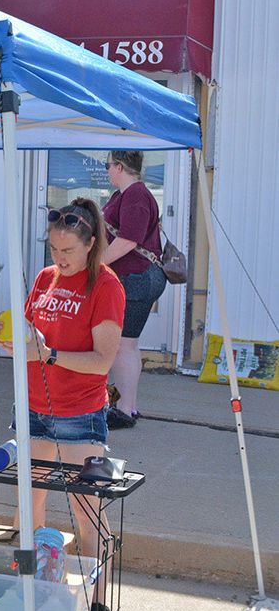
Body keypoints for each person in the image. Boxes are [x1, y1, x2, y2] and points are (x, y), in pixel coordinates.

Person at [0, 198, 124, 611]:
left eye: (67, 251)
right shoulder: (46, 279)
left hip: (80, 417)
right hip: (33, 411)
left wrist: (46, 354)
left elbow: (102, 361)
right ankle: (34, 593)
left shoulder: (106, 286)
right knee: (30, 506)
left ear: (90, 245)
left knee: (89, 518)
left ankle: (100, 606)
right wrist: (11, 338)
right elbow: (31, 335)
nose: (58, 260)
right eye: (53, 250)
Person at [101, 150, 167, 429]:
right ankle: (127, 405)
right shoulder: (127, 195)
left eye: (108, 166)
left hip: (137, 278)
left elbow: (129, 240)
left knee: (123, 345)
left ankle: (125, 410)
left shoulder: (136, 195)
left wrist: (95, 265)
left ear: (119, 166)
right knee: (127, 345)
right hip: (137, 277)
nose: (106, 171)